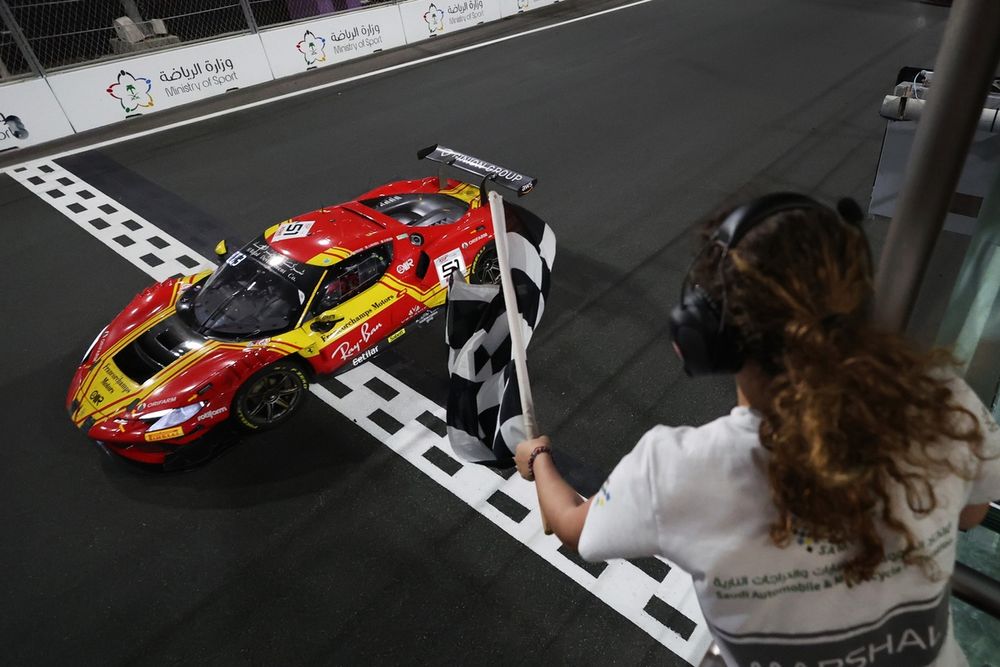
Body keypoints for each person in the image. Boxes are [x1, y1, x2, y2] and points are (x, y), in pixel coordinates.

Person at [515, 193, 1000, 667]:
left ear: (709, 334)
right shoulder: (944, 401)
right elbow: (973, 513)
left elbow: (574, 527)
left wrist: (538, 460)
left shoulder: (673, 471)